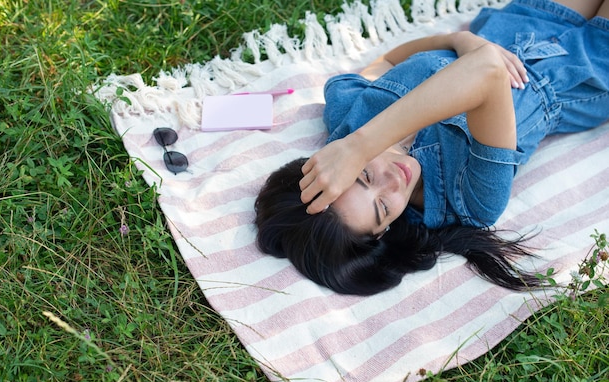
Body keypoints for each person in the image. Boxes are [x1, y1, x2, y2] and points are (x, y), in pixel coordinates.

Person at [254, 0, 609, 295]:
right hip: (585, 70)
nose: (392, 182)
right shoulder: (470, 202)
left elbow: (387, 63)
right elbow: (487, 71)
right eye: (382, 207)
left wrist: (459, 40)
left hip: (517, 24)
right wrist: (360, 149)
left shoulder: (348, 119)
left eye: (363, 175)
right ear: (384, 231)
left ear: (329, 162)